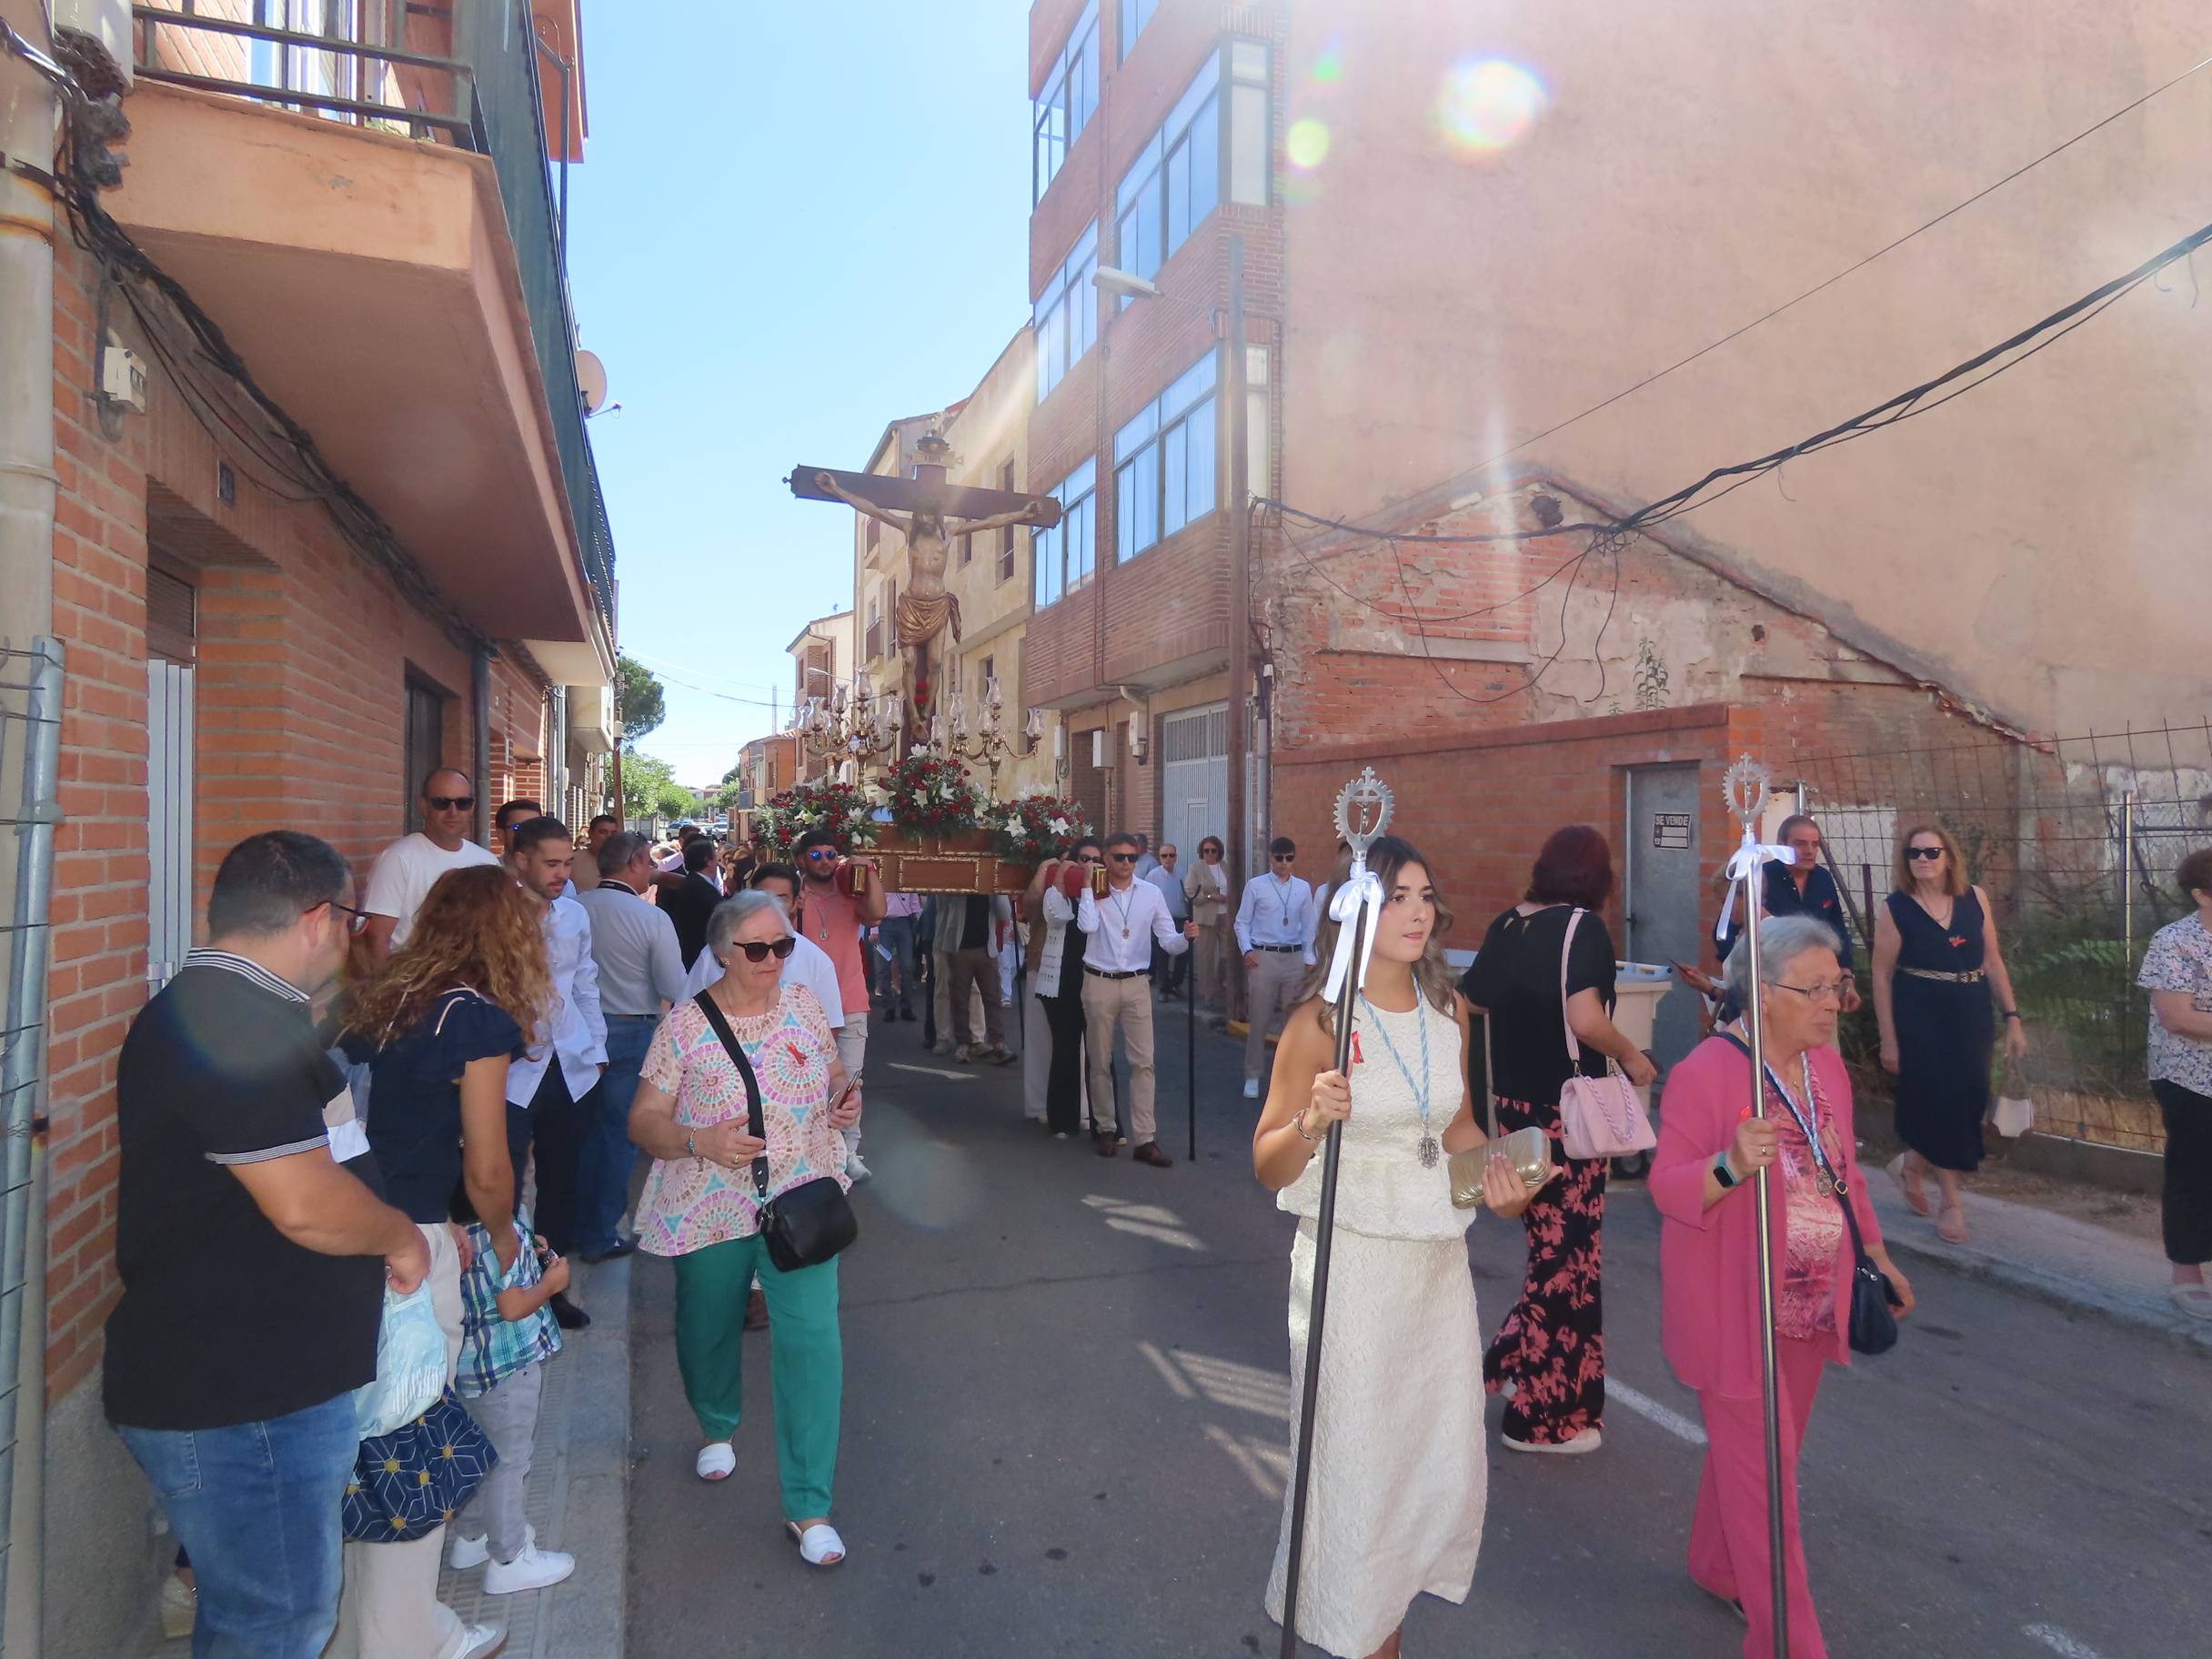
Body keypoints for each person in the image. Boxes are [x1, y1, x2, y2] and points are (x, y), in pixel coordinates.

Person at [106, 832, 437, 1659]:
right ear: (320, 919)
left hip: (253, 1381)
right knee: (279, 1619)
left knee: (259, 1611)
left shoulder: (241, 1011)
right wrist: (399, 1236)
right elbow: (304, 1205)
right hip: (244, 1395)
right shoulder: (227, 1018)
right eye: (352, 920)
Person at [1252, 835, 1536, 1659]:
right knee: (1356, 1475)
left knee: (1423, 1468)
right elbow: (1269, 1161)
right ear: (1358, 912)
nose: (1419, 912)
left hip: (1433, 1277)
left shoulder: (1449, 1014)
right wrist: (1314, 1118)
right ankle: (1355, 1636)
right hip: (1352, 1280)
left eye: (1424, 897)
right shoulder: (1319, 1023)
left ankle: (1386, 1635)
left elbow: (1454, 1133)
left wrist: (1501, 1182)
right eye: (1399, 897)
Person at [1652, 914, 1915, 1659]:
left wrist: (1879, 1254)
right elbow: (1670, 1188)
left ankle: (1716, 1562)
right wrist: (1730, 1164)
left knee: (1771, 1455)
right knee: (1768, 1485)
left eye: (1839, 987)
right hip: (1733, 1310)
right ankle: (1790, 1645)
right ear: (1762, 994)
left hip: (1811, 1300)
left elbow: (1846, 1176)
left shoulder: (1825, 1066)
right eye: (1817, 989)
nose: (1834, 1003)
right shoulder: (1709, 1070)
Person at [336, 861, 553, 1658]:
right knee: (409, 1438)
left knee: (363, 1440)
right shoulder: (475, 1020)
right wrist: (502, 1239)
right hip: (419, 1243)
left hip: (350, 1227)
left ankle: (357, 1631)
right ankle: (406, 1638)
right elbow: (488, 1169)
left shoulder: (383, 1001)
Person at [627, 892, 863, 1565]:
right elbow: (641, 1121)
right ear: (722, 953)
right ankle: (717, 1421)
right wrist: (699, 1139)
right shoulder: (684, 1026)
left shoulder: (806, 1006)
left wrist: (843, 1099)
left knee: (814, 1344)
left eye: (782, 946)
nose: (773, 960)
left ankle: (809, 1505)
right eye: (757, 949)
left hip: (803, 1199)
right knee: (707, 1328)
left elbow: (832, 1069)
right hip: (708, 1201)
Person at [1462, 825, 1657, 1454]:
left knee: (1562, 1260)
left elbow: (1471, 1004)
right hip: (1568, 1117)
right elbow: (1585, 1020)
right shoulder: (1585, 929)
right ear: (1599, 877)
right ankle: (1528, 1412)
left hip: (1515, 1111)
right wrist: (1633, 1058)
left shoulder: (1509, 924)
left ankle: (1557, 1402)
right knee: (1566, 1264)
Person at [1871, 824, 2027, 1246]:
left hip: (1971, 1009)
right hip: (1919, 1010)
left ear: (1949, 857)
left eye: (1931, 852)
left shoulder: (1974, 898)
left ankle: (1911, 1162)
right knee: (1938, 1099)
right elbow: (1882, 974)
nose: (1922, 859)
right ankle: (1951, 1202)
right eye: (1914, 853)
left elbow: (1993, 962)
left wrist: (2012, 1017)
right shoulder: (1896, 908)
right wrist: (1888, 1038)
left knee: (1969, 1097)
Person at [506, 816, 608, 1328]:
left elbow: (586, 981)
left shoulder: (574, 915)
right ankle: (500, 1289)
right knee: (498, 1181)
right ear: (520, 859)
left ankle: (551, 1288)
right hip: (508, 1070)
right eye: (551, 863)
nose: (562, 873)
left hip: (571, 1065)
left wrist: (598, 1046)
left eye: (568, 863)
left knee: (560, 1181)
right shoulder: (495, 915)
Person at [444, 1200, 575, 1595]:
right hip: (508, 1368)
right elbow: (512, 1305)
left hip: (469, 1368)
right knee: (510, 1462)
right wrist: (551, 1284)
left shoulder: (453, 1235)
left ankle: (472, 1538)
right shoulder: (502, 1233)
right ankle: (509, 1557)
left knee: (479, 1455)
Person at [574, 830, 690, 1263]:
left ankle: (571, 1224)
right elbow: (673, 985)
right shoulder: (651, 918)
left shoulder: (574, 908)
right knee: (617, 1135)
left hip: (579, 1033)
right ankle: (600, 1232)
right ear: (636, 863)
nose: (653, 873)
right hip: (629, 1029)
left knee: (579, 1133)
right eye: (649, 864)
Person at [1076, 831, 1199, 1164]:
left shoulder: (1151, 893)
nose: (1127, 864)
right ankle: (1105, 1127)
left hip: (1136, 983)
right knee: (1100, 1059)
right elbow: (1086, 926)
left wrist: (1185, 939)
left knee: (1144, 1062)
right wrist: (1087, 886)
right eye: (1120, 857)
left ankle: (1145, 1138)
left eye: (1132, 858)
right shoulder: (1097, 890)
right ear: (1106, 858)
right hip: (1099, 980)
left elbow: (1167, 940)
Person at [2137, 848, 2212, 1319]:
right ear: (2202, 894)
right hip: (2189, 1077)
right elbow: (2176, 1016)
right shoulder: (2175, 941)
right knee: (2194, 1171)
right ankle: (2187, 1271)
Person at [795, 828, 888, 1178]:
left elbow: (877, 912)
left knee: (850, 1080)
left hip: (849, 1002)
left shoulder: (853, 889)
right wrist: (790, 904)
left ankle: (848, 1151)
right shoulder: (793, 895)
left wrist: (869, 867)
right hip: (802, 1006)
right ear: (802, 859)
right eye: (816, 855)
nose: (825, 862)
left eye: (831, 854)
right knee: (805, 1081)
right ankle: (806, 1149)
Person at [360, 768, 501, 961]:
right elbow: (376, 939)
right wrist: (392, 990)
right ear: (424, 805)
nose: (453, 812)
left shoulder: (487, 861)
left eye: (462, 803)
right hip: (413, 984)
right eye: (441, 803)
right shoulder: (398, 859)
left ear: (473, 806)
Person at [1721, 815, 1861, 1009]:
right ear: (1781, 844)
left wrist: (1847, 978)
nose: (1810, 851)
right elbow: (1724, 937)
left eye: (1815, 844)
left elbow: (1837, 929)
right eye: (1800, 844)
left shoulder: (1823, 878)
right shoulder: (1758, 878)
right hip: (1773, 996)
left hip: (1819, 992)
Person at [1030, 840, 1102, 1135]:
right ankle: (1063, 1120)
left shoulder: (1105, 894)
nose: (1090, 865)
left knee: (1099, 1055)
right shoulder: (1059, 893)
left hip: (1096, 979)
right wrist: (1062, 874)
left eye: (1096, 860)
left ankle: (1105, 1125)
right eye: (1083, 859)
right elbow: (1056, 915)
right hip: (1062, 979)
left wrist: (1089, 885)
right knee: (1065, 1051)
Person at [1238, 838, 1319, 1101]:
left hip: (1293, 957)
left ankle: (1289, 1077)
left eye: (1289, 858)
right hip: (1264, 956)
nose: (1284, 863)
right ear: (1270, 858)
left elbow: (1309, 926)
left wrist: (1309, 957)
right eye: (1279, 858)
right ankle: (1253, 1075)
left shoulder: (1303, 888)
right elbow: (1242, 922)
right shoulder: (1256, 886)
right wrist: (1247, 950)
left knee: (1294, 1022)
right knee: (1259, 1019)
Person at [934, 890, 1014, 1064]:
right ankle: (963, 1043)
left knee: (992, 998)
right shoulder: (959, 885)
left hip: (986, 949)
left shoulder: (990, 886)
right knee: (959, 999)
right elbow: (943, 904)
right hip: (960, 948)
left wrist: (998, 891)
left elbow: (1005, 913)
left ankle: (998, 1042)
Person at [1185, 835, 1234, 1021]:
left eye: (1213, 850)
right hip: (1206, 918)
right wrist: (1210, 897)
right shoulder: (1196, 869)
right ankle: (1206, 993)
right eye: (1206, 851)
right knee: (1206, 957)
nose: (1210, 854)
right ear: (1201, 852)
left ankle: (1221, 986)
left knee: (1226, 954)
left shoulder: (1225, 866)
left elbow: (1234, 887)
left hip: (1225, 915)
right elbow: (1190, 894)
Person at [663, 836, 727, 970]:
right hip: (700, 963)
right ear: (707, 861)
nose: (718, 860)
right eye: (715, 856)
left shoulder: (693, 884)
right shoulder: (702, 890)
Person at [1145, 842, 1191, 997]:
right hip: (1161, 921)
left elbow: (1188, 895)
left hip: (1180, 919)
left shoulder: (1182, 873)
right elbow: (1148, 901)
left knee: (1183, 954)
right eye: (1164, 855)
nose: (1168, 859)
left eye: (1171, 855)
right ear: (1159, 857)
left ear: (1176, 857)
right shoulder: (1153, 876)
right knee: (1162, 957)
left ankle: (1176, 984)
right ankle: (1164, 989)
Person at [875, 889, 923, 1021]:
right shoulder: (882, 874)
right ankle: (888, 1007)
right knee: (883, 967)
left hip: (904, 922)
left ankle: (906, 1007)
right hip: (883, 922)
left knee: (906, 966)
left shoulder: (906, 875)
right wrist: (874, 928)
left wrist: (920, 920)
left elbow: (914, 902)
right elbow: (875, 900)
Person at [570, 812, 621, 894]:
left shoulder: (625, 862)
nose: (608, 837)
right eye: (603, 832)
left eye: (613, 833)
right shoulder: (573, 861)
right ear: (590, 833)